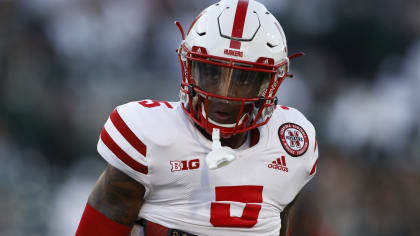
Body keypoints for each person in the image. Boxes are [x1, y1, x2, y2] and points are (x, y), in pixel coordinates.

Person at [76, 0, 319, 235]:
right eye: (212, 72)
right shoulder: (148, 135)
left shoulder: (291, 146)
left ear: (270, 82)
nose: (225, 95)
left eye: (244, 78)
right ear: (188, 66)